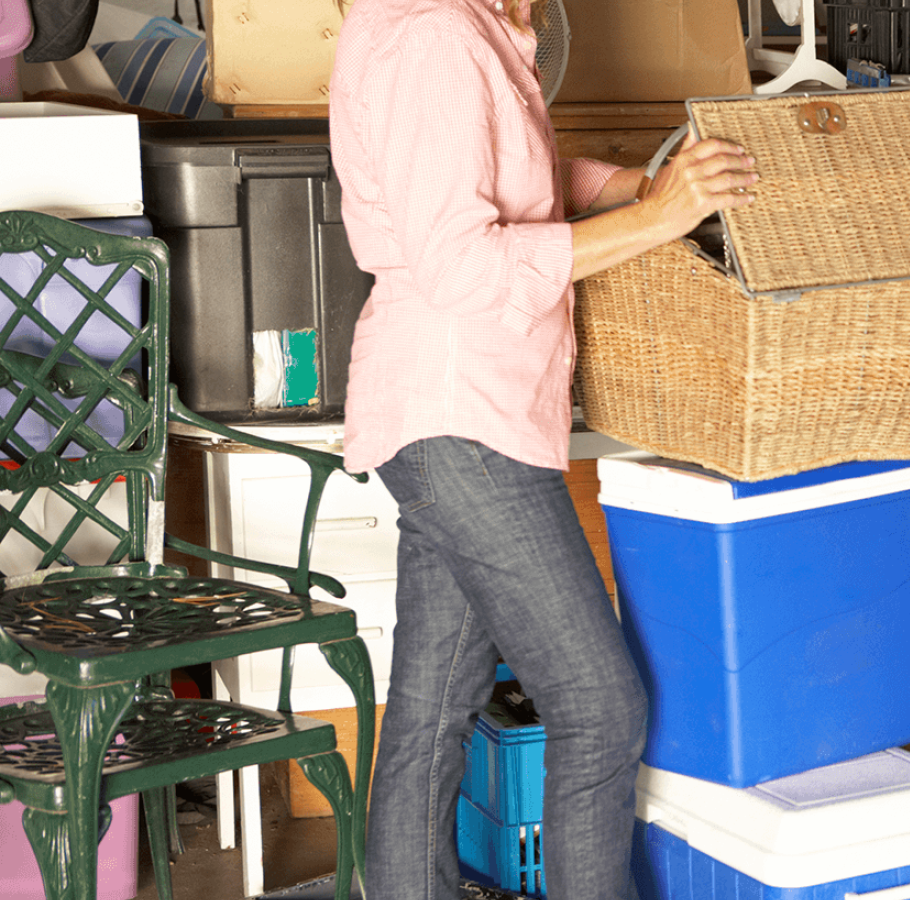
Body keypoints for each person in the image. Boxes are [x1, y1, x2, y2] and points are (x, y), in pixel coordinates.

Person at [327, 0, 756, 897]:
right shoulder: (439, 35)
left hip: (460, 415)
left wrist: (625, 186)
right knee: (600, 709)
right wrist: (658, 220)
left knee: (430, 713)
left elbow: (491, 168)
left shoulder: (466, 28)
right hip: (460, 416)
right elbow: (461, 265)